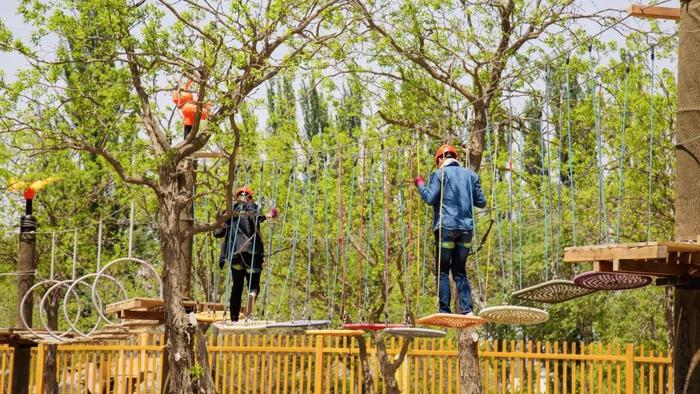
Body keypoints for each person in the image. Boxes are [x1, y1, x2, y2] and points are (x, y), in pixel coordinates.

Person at [414, 144, 486, 315]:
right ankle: (467, 310)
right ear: (456, 158)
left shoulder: (439, 174)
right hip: (465, 231)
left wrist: (420, 185)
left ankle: (444, 310)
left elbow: (430, 198)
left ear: (440, 159)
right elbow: (481, 202)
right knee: (460, 271)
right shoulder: (471, 176)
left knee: (443, 270)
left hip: (446, 228)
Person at [214, 186, 278, 321]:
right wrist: (271, 214)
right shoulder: (252, 208)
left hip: (235, 254)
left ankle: (234, 318)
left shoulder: (230, 212)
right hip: (252, 253)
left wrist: (220, 220)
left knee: (236, 286)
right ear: (250, 197)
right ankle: (252, 294)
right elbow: (258, 217)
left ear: (237, 197)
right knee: (253, 283)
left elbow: (217, 233)